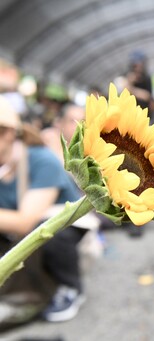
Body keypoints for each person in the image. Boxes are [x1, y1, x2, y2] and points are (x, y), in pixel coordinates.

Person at [0, 97, 87, 322]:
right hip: (18, 236)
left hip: (63, 230)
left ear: (8, 133)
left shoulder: (41, 160)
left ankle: (70, 288)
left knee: (48, 233)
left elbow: (23, 221)